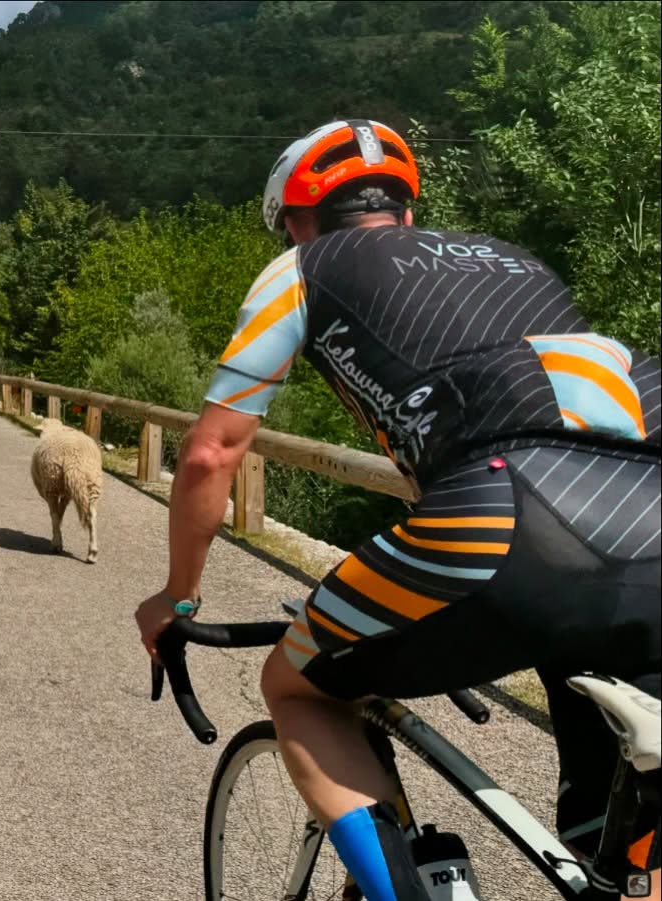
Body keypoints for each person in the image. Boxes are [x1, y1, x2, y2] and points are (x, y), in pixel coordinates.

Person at [135, 119, 661, 900]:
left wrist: (176, 595)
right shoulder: (516, 262)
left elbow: (213, 452)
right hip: (650, 521)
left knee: (294, 686)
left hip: (504, 516)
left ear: (296, 219)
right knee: (610, 845)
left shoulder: (302, 266)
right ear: (407, 213)